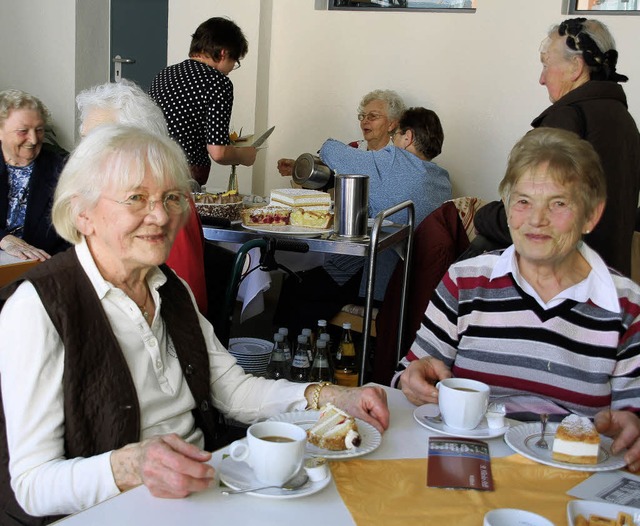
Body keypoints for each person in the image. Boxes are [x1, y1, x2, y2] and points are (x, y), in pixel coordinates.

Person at [0, 125, 389, 524]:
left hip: (201, 493)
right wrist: (130, 465)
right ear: (83, 213)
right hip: (113, 511)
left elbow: (234, 391)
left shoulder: (169, 288)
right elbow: (32, 486)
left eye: (170, 197)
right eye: (137, 198)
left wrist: (329, 398)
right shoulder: (39, 307)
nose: (161, 215)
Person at [395, 127, 640, 472]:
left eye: (558, 204)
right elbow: (408, 376)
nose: (536, 220)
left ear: (591, 215)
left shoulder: (626, 306)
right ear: (508, 208)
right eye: (523, 201)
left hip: (568, 477)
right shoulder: (466, 281)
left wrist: (633, 428)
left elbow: (634, 416)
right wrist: (412, 380)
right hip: (464, 467)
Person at [471, 18, 640, 277]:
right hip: (607, 281)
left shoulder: (567, 119)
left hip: (561, 281)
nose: (541, 78)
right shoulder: (623, 118)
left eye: (546, 65)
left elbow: (534, 220)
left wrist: (482, 216)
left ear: (575, 67)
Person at [274, 107, 452, 338]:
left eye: (395, 135)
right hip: (410, 283)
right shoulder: (441, 179)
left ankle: (289, 358)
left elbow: (332, 150)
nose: (392, 142)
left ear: (407, 137)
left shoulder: (394, 159)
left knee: (295, 287)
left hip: (376, 280)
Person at [76, 80, 209, 314]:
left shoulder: (165, 206)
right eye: (85, 140)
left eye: (98, 141)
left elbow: (183, 307)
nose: (84, 153)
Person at [149, 17, 257, 186]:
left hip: (153, 167)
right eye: (234, 62)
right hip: (186, 174)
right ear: (224, 53)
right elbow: (218, 152)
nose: (230, 70)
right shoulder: (218, 82)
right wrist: (245, 155)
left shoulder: (163, 75)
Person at [0, 89, 68, 261]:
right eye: (23, 131)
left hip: (42, 266)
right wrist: (3, 239)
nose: (34, 139)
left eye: (39, 130)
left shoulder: (61, 169)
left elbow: (71, 232)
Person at [276, 89, 406, 177]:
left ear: (391, 124)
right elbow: (328, 175)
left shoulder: (401, 156)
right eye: (363, 116)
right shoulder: (353, 148)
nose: (365, 121)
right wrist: (298, 168)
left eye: (373, 116)